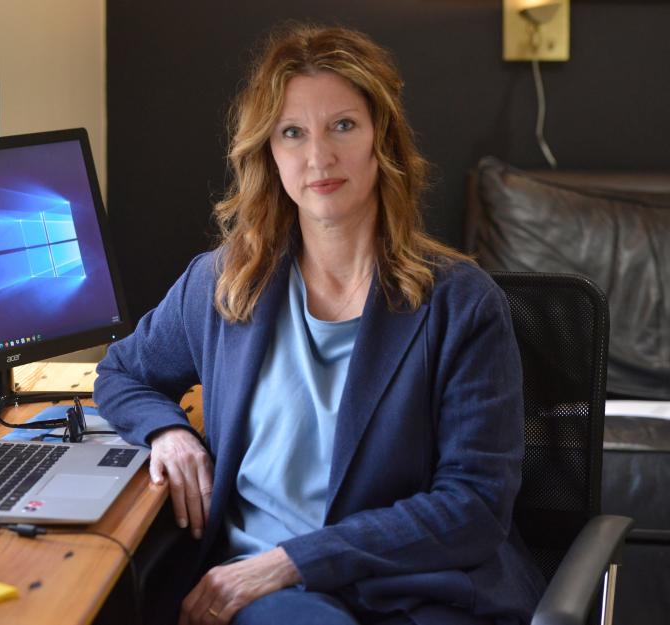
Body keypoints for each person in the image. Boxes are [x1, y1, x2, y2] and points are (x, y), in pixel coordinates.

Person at [94, 24, 545, 625]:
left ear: (381, 140)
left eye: (343, 126)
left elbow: (475, 505)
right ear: (269, 153)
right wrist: (166, 432)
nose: (319, 157)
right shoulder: (225, 283)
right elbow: (122, 372)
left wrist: (294, 559)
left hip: (407, 590)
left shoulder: (461, 303)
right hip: (268, 600)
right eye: (292, 133)